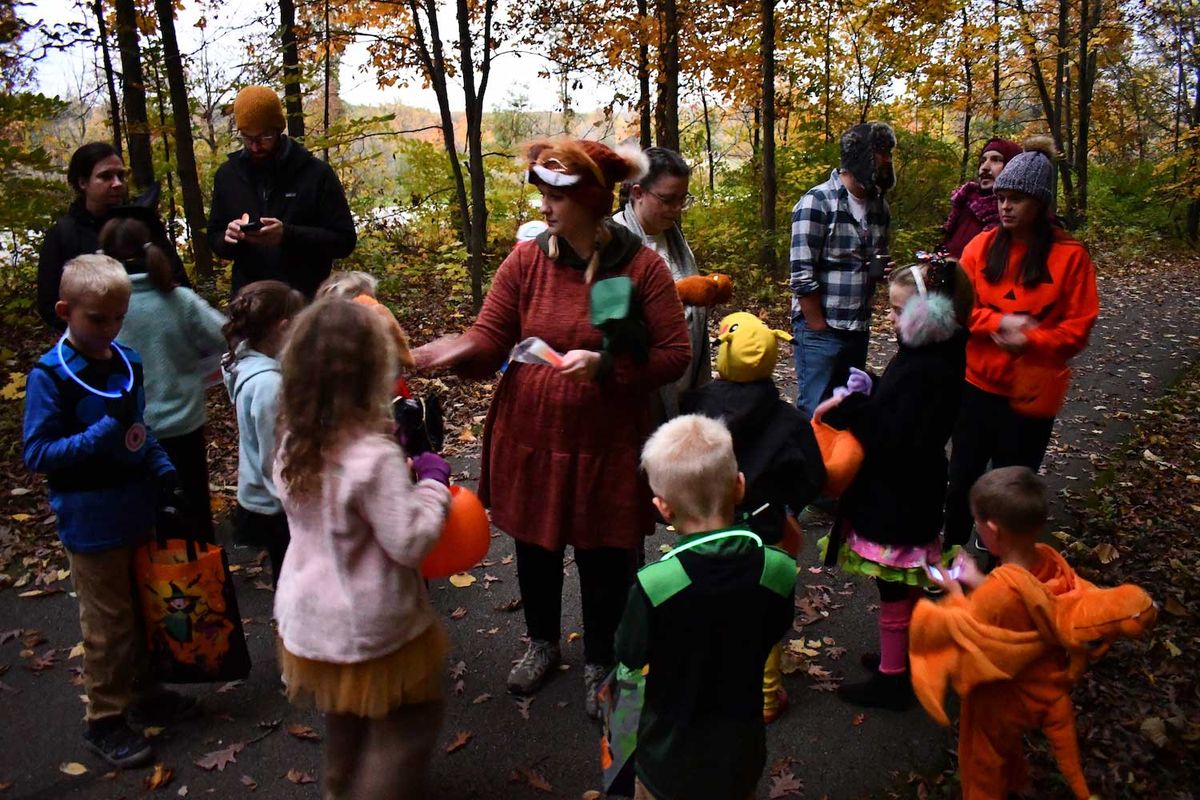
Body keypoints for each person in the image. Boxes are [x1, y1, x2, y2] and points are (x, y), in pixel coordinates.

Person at [412, 138, 691, 717]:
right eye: (541, 192)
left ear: (591, 200)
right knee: (535, 546)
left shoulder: (641, 267)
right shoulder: (527, 260)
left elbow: (673, 353)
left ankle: (601, 661)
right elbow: (491, 336)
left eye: (557, 196)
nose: (544, 206)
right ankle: (541, 643)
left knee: (605, 556)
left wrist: (610, 365)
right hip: (532, 433)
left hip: (606, 443)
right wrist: (451, 352)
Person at [22, 255, 198, 768]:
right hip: (91, 518)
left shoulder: (127, 361)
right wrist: (103, 432)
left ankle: (145, 693)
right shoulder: (51, 375)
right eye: (97, 319)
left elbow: (138, 430)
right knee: (108, 625)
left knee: (146, 609)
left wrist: (163, 468)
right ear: (65, 310)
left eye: (118, 317)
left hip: (136, 507)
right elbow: (38, 454)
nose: (110, 328)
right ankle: (104, 719)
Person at [273, 298, 452, 800]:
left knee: (346, 711)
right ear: (376, 371)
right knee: (409, 723)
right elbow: (410, 540)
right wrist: (432, 484)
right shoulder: (374, 457)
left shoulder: (292, 439)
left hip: (309, 615)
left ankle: (337, 789)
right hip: (369, 621)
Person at [912, 467, 1156, 800]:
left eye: (977, 522)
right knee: (1007, 742)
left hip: (1001, 695)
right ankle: (1019, 783)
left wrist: (955, 591)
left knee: (981, 757)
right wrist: (979, 582)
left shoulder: (997, 593)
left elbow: (971, 626)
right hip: (1041, 686)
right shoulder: (1049, 562)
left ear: (991, 532)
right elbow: (1026, 600)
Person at [814, 257, 974, 709]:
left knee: (894, 585)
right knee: (900, 585)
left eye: (898, 310)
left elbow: (897, 434)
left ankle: (894, 678)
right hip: (907, 489)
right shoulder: (930, 352)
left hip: (900, 493)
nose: (889, 317)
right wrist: (878, 387)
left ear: (931, 315)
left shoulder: (928, 366)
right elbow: (900, 410)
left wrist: (855, 410)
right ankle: (900, 657)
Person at [615, 414, 795, 800]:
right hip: (740, 753)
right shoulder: (777, 569)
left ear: (663, 508)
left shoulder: (656, 584)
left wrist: (618, 756)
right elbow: (774, 628)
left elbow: (629, 656)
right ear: (740, 485)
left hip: (665, 757)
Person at [943, 138, 1099, 550]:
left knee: (1013, 485)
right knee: (961, 477)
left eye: (1017, 199)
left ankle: (1002, 561)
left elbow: (1077, 328)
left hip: (1030, 396)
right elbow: (960, 309)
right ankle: (952, 549)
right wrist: (998, 323)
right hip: (977, 387)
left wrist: (1030, 338)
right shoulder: (979, 247)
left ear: (1041, 203)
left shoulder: (1070, 257)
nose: (1005, 207)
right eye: (1001, 198)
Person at [679, 311, 825, 722]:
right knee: (763, 607)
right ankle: (764, 695)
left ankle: (715, 680)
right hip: (767, 530)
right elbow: (813, 474)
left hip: (707, 525)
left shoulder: (696, 405)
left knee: (707, 601)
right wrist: (787, 503)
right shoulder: (789, 420)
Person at [99, 217, 227, 543]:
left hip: (125, 430)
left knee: (145, 519)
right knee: (194, 513)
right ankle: (205, 584)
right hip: (184, 427)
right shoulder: (178, 300)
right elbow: (224, 335)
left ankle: (151, 587)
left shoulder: (100, 309)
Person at [208, 86, 356, 299]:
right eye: (248, 138)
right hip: (249, 305)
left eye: (264, 137)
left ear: (278, 130)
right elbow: (215, 237)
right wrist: (228, 238)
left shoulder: (315, 173)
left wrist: (287, 235)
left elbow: (344, 241)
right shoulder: (227, 176)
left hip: (304, 304)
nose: (256, 146)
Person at [789, 122, 895, 418]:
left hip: (857, 327)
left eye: (889, 152)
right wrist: (817, 327)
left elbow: (872, 260)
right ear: (859, 154)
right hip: (821, 329)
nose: (886, 159)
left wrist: (880, 271)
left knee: (847, 406)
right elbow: (801, 274)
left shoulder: (879, 207)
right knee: (816, 409)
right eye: (880, 151)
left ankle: (841, 464)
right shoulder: (817, 202)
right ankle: (811, 465)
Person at [37, 142, 190, 330]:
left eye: (121, 175)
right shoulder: (63, 234)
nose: (117, 183)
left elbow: (179, 282)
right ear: (82, 182)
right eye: (106, 176)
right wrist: (91, 337)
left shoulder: (143, 224)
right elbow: (49, 304)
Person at [614, 147, 710, 418]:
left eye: (682, 199)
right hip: (638, 395)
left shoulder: (675, 240)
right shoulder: (615, 243)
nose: (677, 209)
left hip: (683, 384)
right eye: (667, 199)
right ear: (638, 193)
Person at [221, 280, 305, 585]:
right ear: (284, 326)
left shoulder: (245, 362)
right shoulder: (268, 386)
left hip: (262, 495)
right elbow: (276, 456)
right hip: (275, 505)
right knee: (292, 583)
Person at [940, 137, 1022, 258]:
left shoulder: (1020, 215)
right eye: (983, 161)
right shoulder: (966, 202)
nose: (985, 167)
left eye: (996, 160)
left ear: (1013, 167)